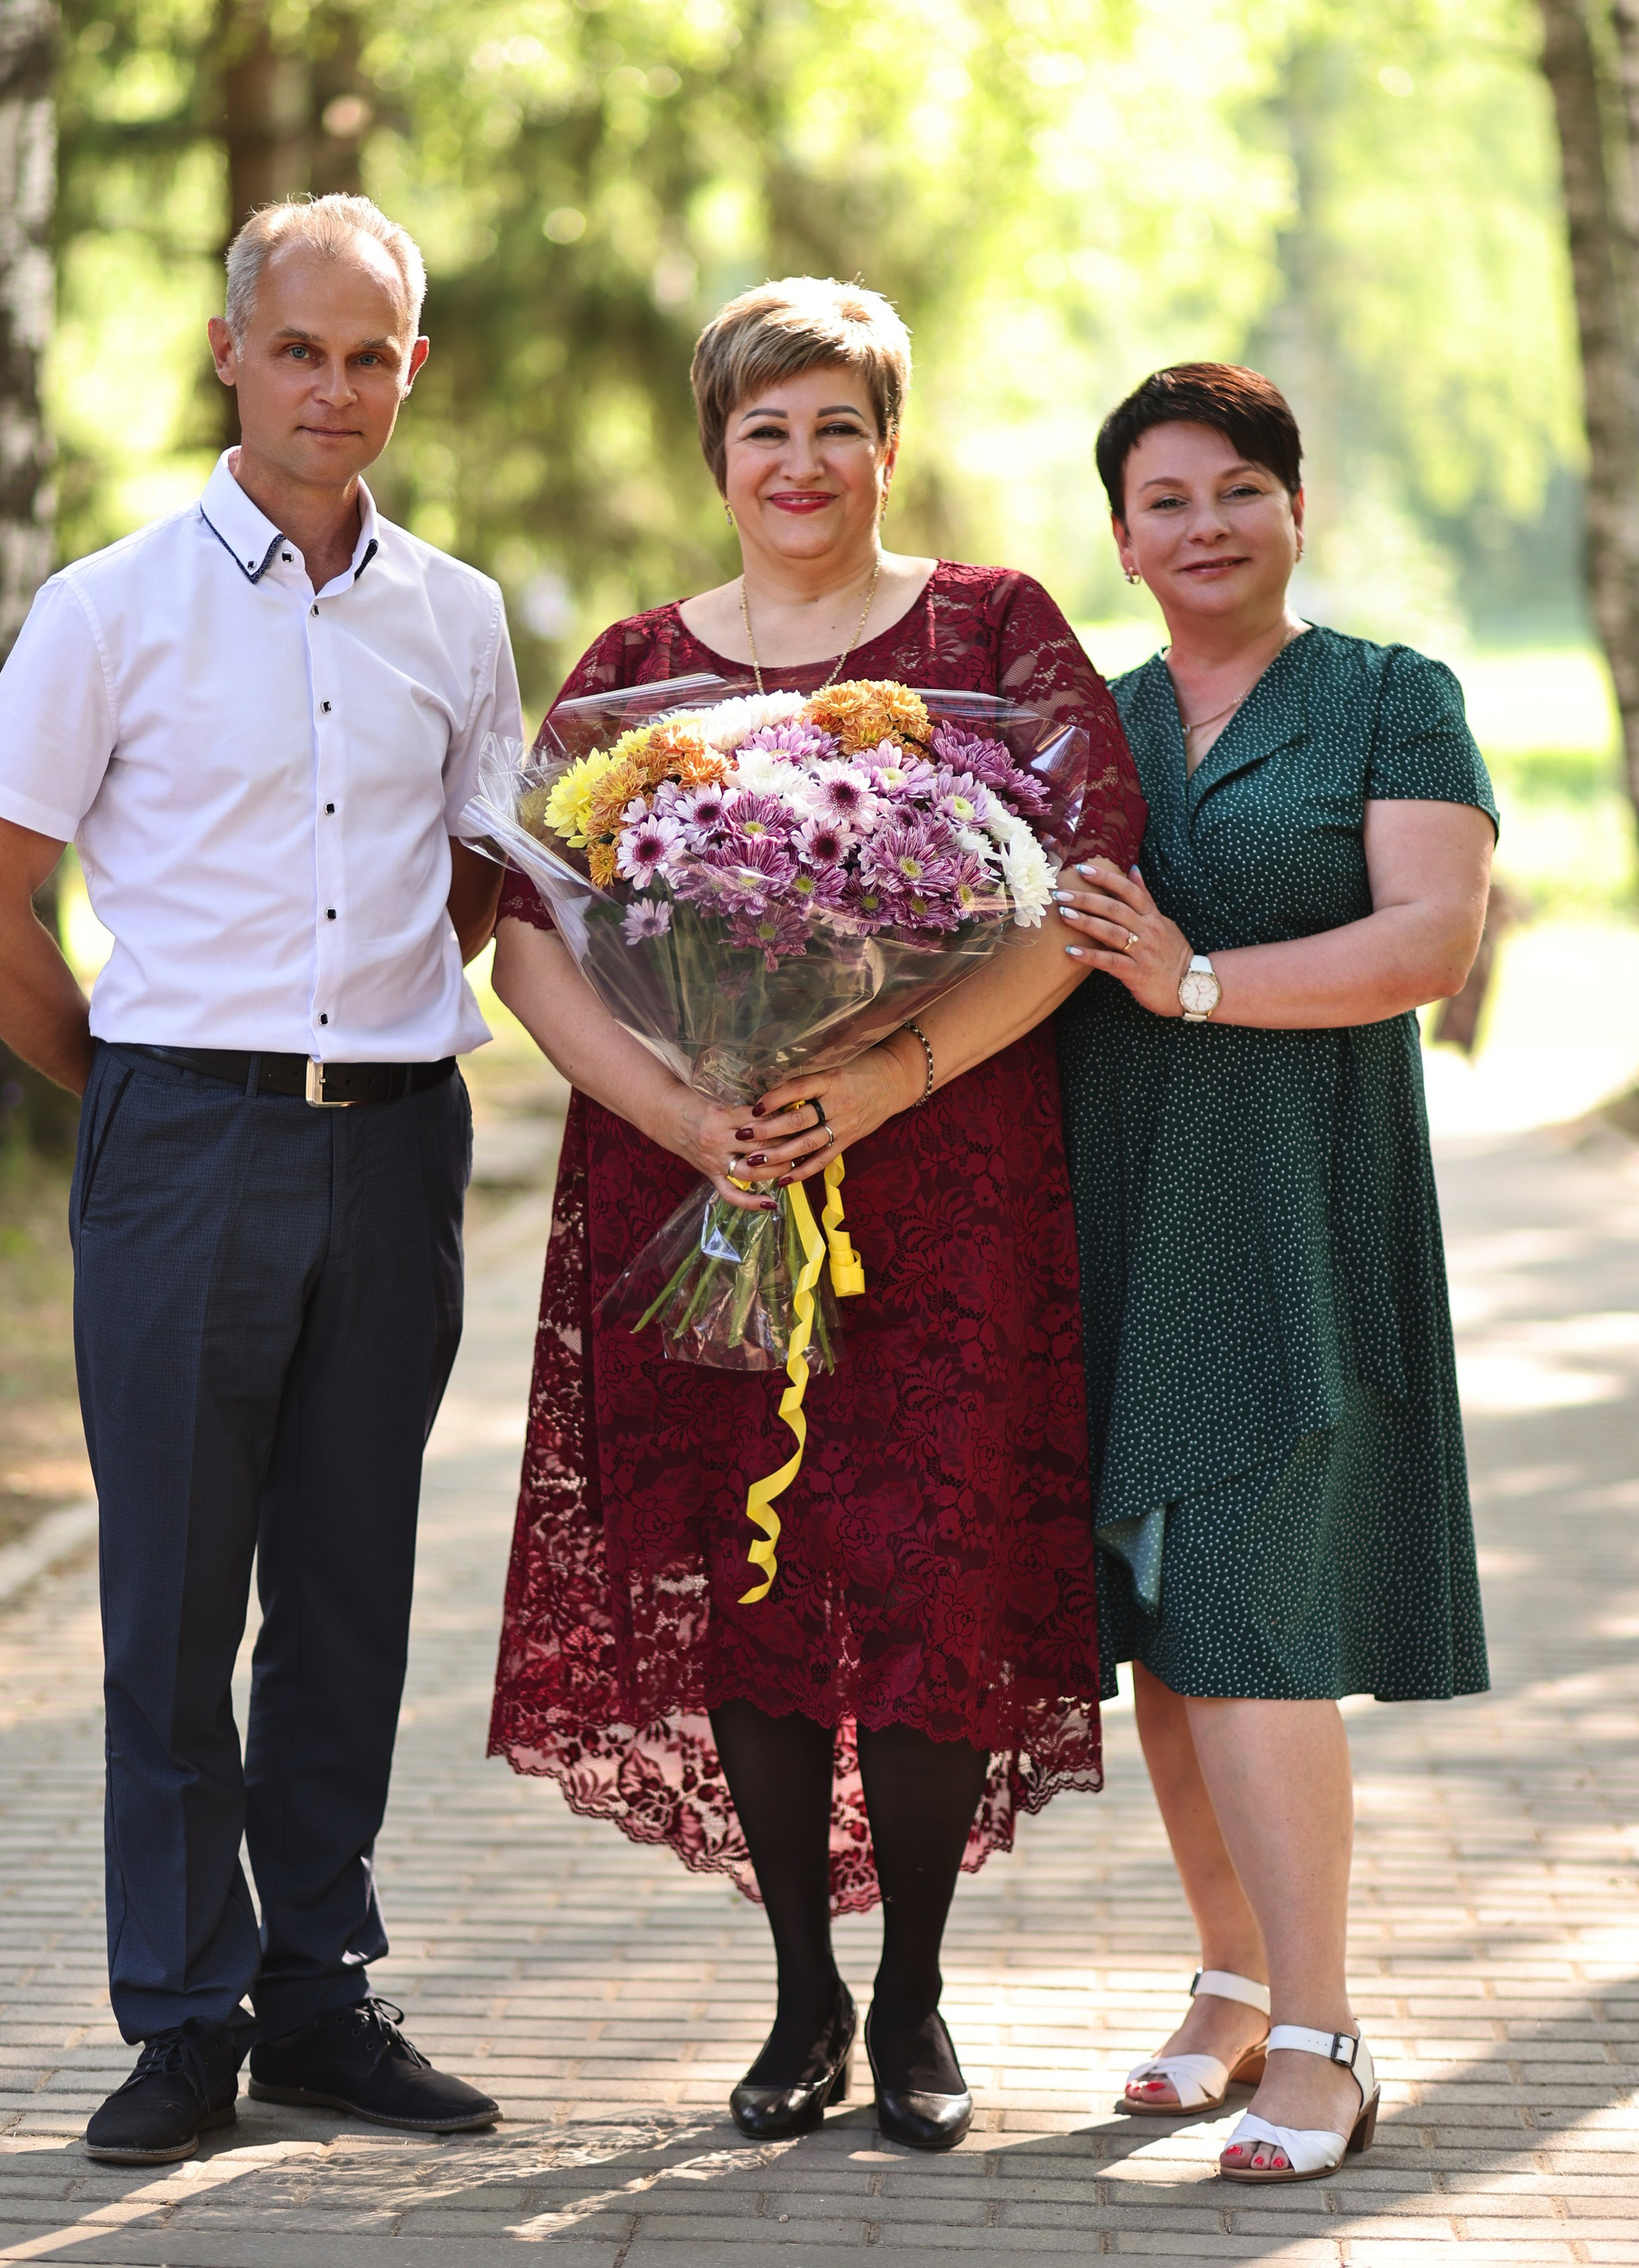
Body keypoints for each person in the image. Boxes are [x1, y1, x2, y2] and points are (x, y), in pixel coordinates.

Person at [485, 277, 1146, 2152]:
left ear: (888, 446)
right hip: (696, 1179)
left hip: (943, 1188)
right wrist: (690, 1116)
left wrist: (877, 1079)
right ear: (717, 453)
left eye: (837, 426)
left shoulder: (992, 631)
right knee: (749, 1590)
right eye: (764, 429)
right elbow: (528, 939)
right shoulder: (631, 671)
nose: (801, 462)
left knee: (931, 1575)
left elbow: (1080, 898)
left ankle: (915, 1993)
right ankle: (802, 1997)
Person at [0, 194, 520, 2164]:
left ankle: (318, 2001)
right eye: (299, 349)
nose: (334, 389)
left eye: (371, 357)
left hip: (398, 1149)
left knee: (346, 1598)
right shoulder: (109, 609)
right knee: (174, 1607)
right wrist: (140, 1089)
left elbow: (482, 876)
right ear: (228, 353)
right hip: (182, 1145)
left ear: (410, 371)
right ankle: (182, 2017)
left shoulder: (458, 615)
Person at [1053, 361, 1495, 2185]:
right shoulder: (1088, 723)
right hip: (1112, 1209)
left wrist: (1193, 980)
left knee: (1244, 1612)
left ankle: (1323, 2034)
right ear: (1120, 538)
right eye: (1163, 500)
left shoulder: (1390, 698)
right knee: (1163, 1629)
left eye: (1237, 487)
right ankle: (1230, 1982)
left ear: (1294, 506)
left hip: (1295, 1213)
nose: (1205, 525)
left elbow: (1428, 939)